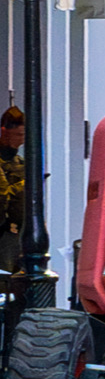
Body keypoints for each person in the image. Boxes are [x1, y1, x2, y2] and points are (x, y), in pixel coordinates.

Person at [0, 106, 23, 271]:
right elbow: (3, 194)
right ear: (4, 131)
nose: (21, 140)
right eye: (18, 135)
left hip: (18, 233)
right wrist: (23, 186)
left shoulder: (20, 162)